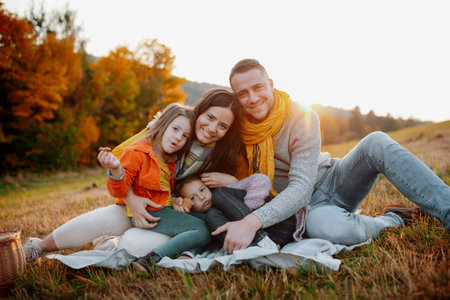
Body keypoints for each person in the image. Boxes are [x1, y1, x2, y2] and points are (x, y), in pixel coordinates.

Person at [207, 58, 450, 253]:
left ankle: (446, 209)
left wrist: (251, 222)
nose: (252, 98)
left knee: (376, 141)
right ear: (236, 96)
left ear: (271, 83)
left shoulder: (301, 116)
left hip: (333, 180)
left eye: (258, 87)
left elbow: (301, 187)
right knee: (326, 228)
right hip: (304, 212)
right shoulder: (233, 129)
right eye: (243, 93)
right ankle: (393, 219)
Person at [22, 88, 243, 262]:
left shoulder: (220, 152)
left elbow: (213, 197)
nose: (213, 128)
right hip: (139, 198)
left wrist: (230, 182)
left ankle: (109, 245)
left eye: (222, 125)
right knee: (106, 217)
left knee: (135, 245)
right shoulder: (172, 125)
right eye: (210, 117)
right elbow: (119, 157)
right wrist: (132, 200)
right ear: (200, 111)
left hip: (171, 213)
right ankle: (40, 246)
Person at [96, 103, 212, 270]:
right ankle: (151, 258)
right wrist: (115, 170)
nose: (178, 137)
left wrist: (175, 200)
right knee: (203, 231)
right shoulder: (139, 151)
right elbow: (118, 189)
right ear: (163, 125)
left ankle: (188, 253)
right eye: (175, 129)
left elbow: (164, 189)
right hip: (150, 211)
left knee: (207, 222)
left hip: (163, 208)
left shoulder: (170, 159)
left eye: (185, 135)